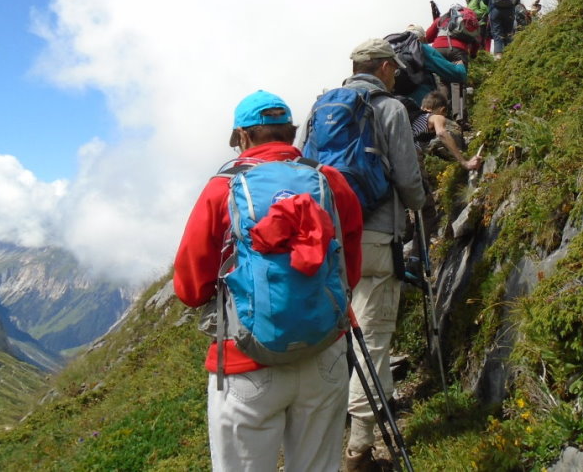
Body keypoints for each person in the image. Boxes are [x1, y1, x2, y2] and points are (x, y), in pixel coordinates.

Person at [173, 90, 364, 472]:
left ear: (242, 137)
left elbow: (191, 289)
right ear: (290, 134)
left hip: (247, 359)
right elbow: (349, 270)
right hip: (324, 352)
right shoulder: (328, 181)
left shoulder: (220, 189)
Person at [312, 39, 425, 472]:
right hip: (377, 237)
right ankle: (359, 449)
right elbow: (407, 175)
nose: (396, 74)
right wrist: (418, 203)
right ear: (381, 68)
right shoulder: (390, 108)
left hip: (330, 239)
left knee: (338, 334)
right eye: (393, 68)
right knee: (373, 336)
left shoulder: (321, 107)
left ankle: (326, 425)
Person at [412, 90, 483, 172]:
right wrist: (464, 162)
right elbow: (441, 133)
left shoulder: (414, 118)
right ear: (442, 110)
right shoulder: (437, 117)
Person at [402, 23, 467, 109]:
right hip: (421, 108)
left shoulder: (396, 52)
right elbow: (456, 74)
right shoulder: (421, 49)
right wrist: (460, 66)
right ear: (423, 38)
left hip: (398, 108)